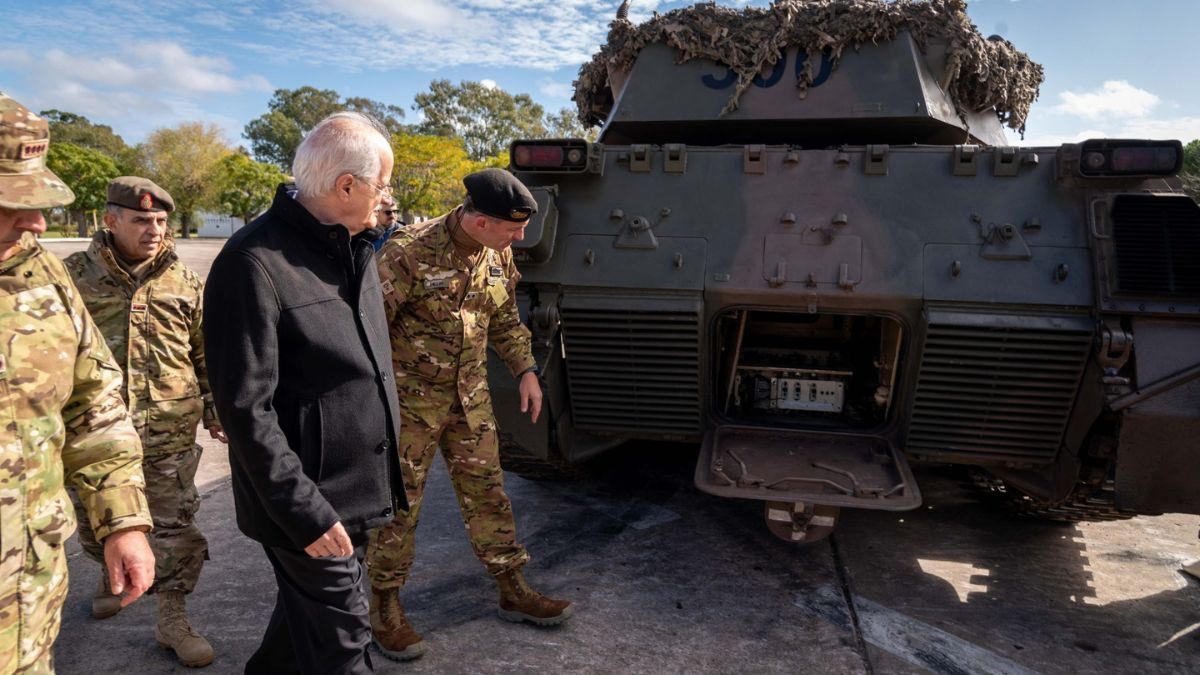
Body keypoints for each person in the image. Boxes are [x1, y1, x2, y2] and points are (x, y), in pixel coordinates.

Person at [203, 111, 407, 675]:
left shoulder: (353, 245)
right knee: (344, 647)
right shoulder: (253, 264)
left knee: (299, 639)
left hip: (359, 492)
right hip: (311, 505)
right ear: (347, 186)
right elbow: (246, 408)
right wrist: (306, 514)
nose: (387, 197)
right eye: (383, 184)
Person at [367, 168, 572, 662]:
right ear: (479, 221)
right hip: (411, 403)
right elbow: (369, 330)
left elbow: (503, 316)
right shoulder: (406, 253)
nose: (520, 236)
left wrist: (525, 368)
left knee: (489, 492)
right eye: (511, 227)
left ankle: (511, 586)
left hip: (470, 397)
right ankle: (384, 606)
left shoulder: (497, 252)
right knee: (401, 505)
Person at [0, 92, 155, 673]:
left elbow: (92, 401)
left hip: (29, 604)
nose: (36, 221)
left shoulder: (36, 270)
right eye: (10, 201)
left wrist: (122, 520)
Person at [63, 176, 224, 668]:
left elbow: (205, 352)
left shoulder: (183, 280)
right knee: (93, 523)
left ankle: (172, 617)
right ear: (110, 221)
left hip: (169, 431)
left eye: (160, 221)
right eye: (141, 221)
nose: (154, 230)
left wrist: (217, 411)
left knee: (176, 525)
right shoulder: (71, 277)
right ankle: (105, 563)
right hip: (94, 433)